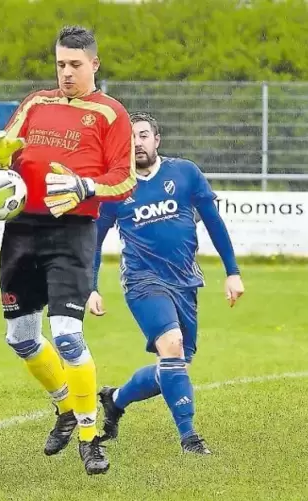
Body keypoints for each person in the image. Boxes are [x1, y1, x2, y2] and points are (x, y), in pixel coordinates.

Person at [0, 25, 136, 475]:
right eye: (61, 64)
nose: (66, 73)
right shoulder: (34, 102)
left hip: (71, 231)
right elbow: (0, 156)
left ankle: (90, 438)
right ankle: (65, 405)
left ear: (94, 65)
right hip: (21, 230)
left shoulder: (111, 114)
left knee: (67, 335)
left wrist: (86, 185)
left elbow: (124, 180)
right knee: (21, 338)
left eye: (75, 65)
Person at [91, 112, 245, 454]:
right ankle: (189, 437)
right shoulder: (116, 187)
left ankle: (115, 399)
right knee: (171, 346)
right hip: (143, 282)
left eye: (143, 135)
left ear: (156, 140)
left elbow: (214, 222)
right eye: (130, 137)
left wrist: (232, 271)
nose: (137, 142)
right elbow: (95, 240)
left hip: (185, 281)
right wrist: (91, 285)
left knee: (175, 368)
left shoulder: (185, 173)